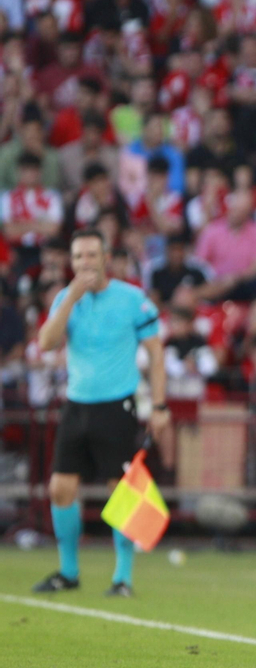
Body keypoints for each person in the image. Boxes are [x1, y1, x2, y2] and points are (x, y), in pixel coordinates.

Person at [32, 229, 169, 597]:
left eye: (91, 255)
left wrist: (159, 406)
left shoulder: (131, 299)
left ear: (106, 258)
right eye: (78, 257)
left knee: (120, 492)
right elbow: (46, 343)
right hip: (77, 405)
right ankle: (69, 571)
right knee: (60, 488)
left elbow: (156, 354)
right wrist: (70, 298)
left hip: (117, 405)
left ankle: (122, 578)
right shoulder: (67, 298)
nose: (85, 263)